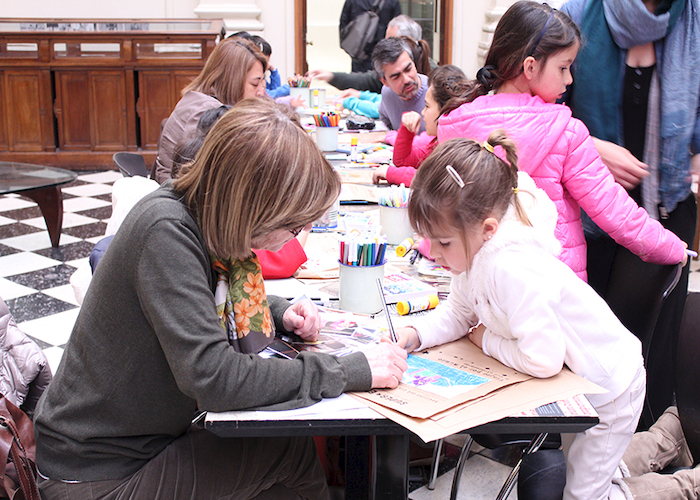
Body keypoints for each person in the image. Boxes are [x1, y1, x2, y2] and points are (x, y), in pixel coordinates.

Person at [34, 98, 408, 500]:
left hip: (127, 448)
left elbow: (209, 298)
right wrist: (344, 370)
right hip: (96, 475)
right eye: (292, 223)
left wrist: (278, 314)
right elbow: (214, 378)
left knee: (280, 453)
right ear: (253, 205)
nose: (295, 234)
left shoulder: (196, 216)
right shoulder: (166, 233)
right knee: (286, 452)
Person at [392, 131, 647, 500]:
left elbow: (542, 360)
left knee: (584, 494)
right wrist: (415, 333)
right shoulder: (474, 251)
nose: (434, 252)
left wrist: (487, 340)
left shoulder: (510, 268)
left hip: (612, 390)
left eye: (443, 242)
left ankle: (668, 488)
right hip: (581, 388)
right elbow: (459, 313)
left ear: (488, 229)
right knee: (587, 468)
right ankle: (635, 460)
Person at [437, 1, 686, 282]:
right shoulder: (566, 132)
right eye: (564, 67)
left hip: (481, 289)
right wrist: (672, 247)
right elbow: (616, 213)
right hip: (552, 291)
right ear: (530, 67)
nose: (569, 79)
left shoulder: (454, 124)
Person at [560, 0, 700, 425]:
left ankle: (646, 446)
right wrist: (594, 149)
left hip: (668, 204)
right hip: (594, 210)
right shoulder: (580, 14)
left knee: (654, 345)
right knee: (597, 343)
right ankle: (586, 449)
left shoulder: (694, 18)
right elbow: (540, 108)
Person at [171, 104, 311, 280]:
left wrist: (280, 308)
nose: (307, 227)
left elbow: (227, 295)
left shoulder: (213, 219)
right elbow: (280, 261)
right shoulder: (173, 234)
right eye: (292, 224)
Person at [154, 37, 268, 184]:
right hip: (181, 199)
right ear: (232, 81)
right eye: (254, 84)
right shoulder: (208, 113)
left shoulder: (199, 98)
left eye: (262, 82)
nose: (261, 91)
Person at [373, 64, 467, 186]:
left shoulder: (459, 150)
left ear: (445, 110)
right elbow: (402, 161)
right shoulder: (437, 144)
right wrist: (407, 130)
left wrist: (392, 173)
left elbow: (433, 181)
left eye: (427, 106)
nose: (423, 112)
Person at [308, 14, 431, 93]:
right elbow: (365, 80)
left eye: (393, 41)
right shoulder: (389, 89)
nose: (405, 79)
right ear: (385, 82)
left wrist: (360, 98)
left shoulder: (431, 81)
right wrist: (331, 76)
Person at [372, 37, 429, 133]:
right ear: (385, 82)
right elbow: (385, 123)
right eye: (396, 77)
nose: (406, 80)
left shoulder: (434, 91)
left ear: (414, 63)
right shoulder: (387, 93)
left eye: (408, 69)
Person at [339, 0, 401, 72]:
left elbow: (344, 26)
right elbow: (398, 27)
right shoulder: (392, 2)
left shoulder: (352, 1)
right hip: (383, 52)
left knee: (358, 80)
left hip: (360, 51)